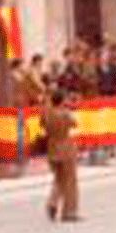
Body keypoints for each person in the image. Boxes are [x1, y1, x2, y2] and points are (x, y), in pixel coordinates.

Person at [43, 88, 81, 222]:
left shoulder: (48, 114)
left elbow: (42, 123)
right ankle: (69, 211)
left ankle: (52, 203)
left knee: (59, 179)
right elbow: (75, 124)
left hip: (52, 149)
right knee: (70, 181)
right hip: (66, 149)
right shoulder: (65, 114)